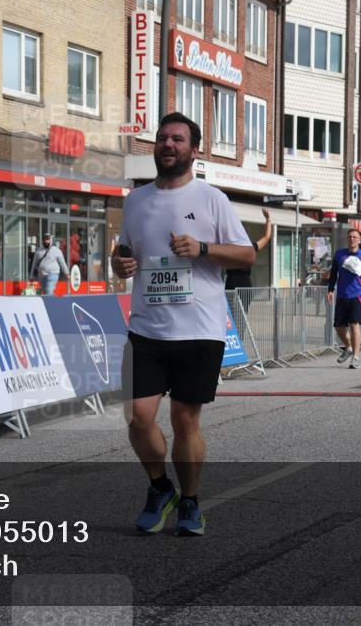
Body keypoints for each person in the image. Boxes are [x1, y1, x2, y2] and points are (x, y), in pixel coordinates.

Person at [111, 112, 255, 536]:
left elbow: (247, 254)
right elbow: (123, 251)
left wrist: (203, 248)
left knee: (185, 421)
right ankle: (161, 488)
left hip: (199, 329)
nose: (168, 144)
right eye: (162, 138)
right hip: (147, 328)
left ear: (194, 150)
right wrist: (119, 264)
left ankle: (190, 502)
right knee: (138, 418)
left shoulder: (212, 199)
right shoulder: (135, 200)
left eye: (177, 139)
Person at [325, 228, 361, 369]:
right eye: (350, 237)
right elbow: (333, 274)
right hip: (342, 295)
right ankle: (348, 347)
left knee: (354, 325)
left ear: (359, 240)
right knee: (338, 327)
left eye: (355, 237)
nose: (352, 239)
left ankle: (356, 357)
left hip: (357, 295)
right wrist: (330, 290)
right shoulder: (339, 255)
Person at [224, 207, 272, 311]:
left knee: (229, 311)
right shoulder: (249, 248)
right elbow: (267, 237)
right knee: (243, 311)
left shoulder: (229, 247)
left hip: (231, 281)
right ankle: (241, 321)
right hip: (244, 282)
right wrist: (268, 219)